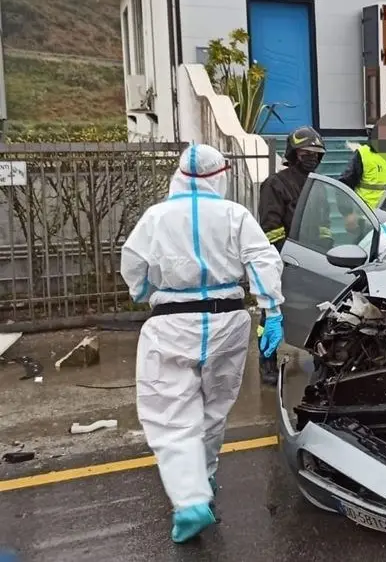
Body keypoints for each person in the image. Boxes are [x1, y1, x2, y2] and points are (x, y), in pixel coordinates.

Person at [120, 144, 284, 544]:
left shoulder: (156, 217)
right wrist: (272, 311)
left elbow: (134, 267)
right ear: (220, 175)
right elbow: (262, 260)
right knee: (214, 409)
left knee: (171, 414)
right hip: (228, 319)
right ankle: (204, 479)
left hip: (172, 323)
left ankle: (190, 499)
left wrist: (144, 291)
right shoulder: (235, 215)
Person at [256, 126, 326, 385]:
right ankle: (267, 363)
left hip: (314, 261)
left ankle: (321, 360)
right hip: (281, 260)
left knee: (319, 314)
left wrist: (325, 250)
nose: (312, 158)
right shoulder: (276, 184)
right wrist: (286, 256)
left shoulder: (319, 186)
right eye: (306, 153)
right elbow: (270, 227)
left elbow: (325, 224)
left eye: (316, 154)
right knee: (271, 316)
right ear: (294, 154)